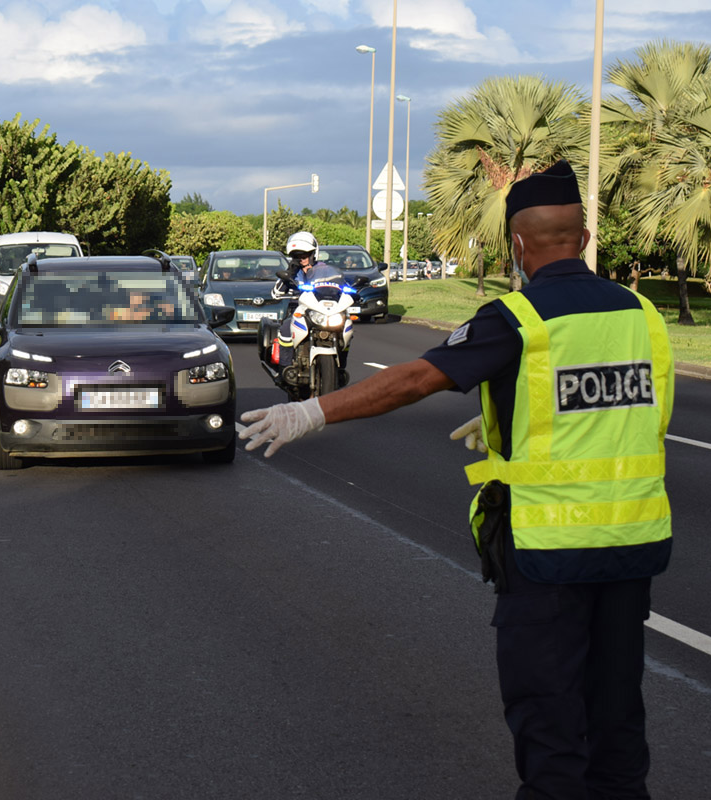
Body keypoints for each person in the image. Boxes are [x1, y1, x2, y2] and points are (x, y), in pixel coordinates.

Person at [241, 160, 674, 800]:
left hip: (548, 556)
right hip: (633, 548)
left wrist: (312, 410)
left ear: (518, 246)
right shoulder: (642, 314)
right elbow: (640, 415)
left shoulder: (517, 316)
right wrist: (513, 407)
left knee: (549, 730)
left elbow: (417, 377)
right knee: (617, 726)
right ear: (583, 239)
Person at [271, 231, 349, 380]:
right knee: (286, 328)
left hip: (324, 310)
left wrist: (352, 292)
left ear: (314, 253)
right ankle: (285, 369)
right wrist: (290, 273)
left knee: (346, 327)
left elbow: (343, 285)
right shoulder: (292, 272)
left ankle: (340, 368)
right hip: (299, 310)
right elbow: (275, 293)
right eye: (297, 256)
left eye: (305, 255)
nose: (302, 259)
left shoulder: (325, 269)